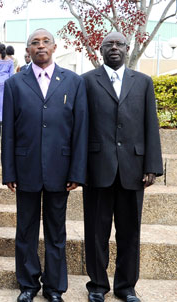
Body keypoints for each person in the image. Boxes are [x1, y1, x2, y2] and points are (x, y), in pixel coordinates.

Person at [1, 28, 88, 302]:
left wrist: (77, 171)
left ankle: (54, 287)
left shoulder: (73, 81)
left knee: (56, 231)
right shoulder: (16, 83)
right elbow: (9, 132)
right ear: (27, 50)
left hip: (60, 170)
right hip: (25, 168)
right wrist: (9, 171)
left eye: (45, 42)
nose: (40, 46)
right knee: (25, 230)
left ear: (54, 47)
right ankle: (28, 284)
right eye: (34, 43)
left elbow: (80, 129)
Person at [81, 32, 163, 302]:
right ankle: (97, 286)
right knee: (96, 232)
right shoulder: (86, 82)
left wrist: (151, 164)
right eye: (109, 45)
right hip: (97, 168)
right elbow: (80, 128)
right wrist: (79, 169)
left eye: (119, 44)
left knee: (130, 232)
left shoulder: (143, 82)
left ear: (128, 49)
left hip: (134, 169)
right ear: (100, 49)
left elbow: (151, 124)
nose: (114, 48)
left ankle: (126, 287)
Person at [0, 43, 14, 121]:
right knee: (5, 101)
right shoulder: (10, 61)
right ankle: (3, 117)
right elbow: (11, 75)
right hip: (6, 83)